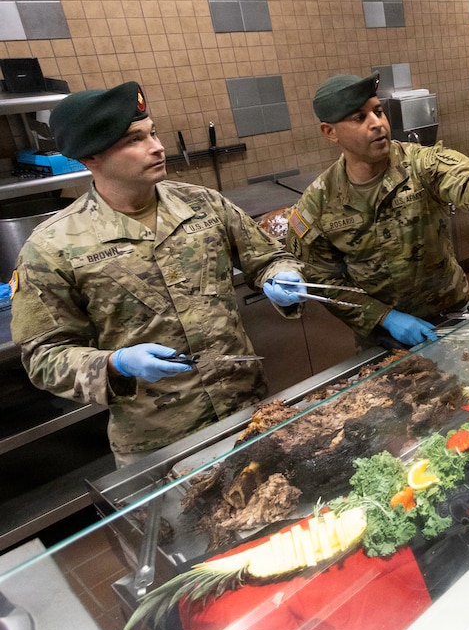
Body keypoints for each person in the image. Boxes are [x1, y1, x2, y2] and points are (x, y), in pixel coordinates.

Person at [8, 81, 308, 466]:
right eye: (135, 139)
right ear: (91, 157)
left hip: (248, 414)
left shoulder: (202, 205)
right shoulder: (52, 247)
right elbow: (43, 358)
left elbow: (267, 257)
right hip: (159, 443)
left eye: (153, 132)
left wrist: (280, 276)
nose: (157, 146)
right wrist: (116, 363)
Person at [284, 71, 469, 349]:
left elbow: (468, 181)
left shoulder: (421, 164)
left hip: (450, 316)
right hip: (381, 338)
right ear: (329, 132)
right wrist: (385, 317)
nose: (377, 124)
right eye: (360, 118)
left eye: (378, 111)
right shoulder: (319, 202)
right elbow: (321, 277)